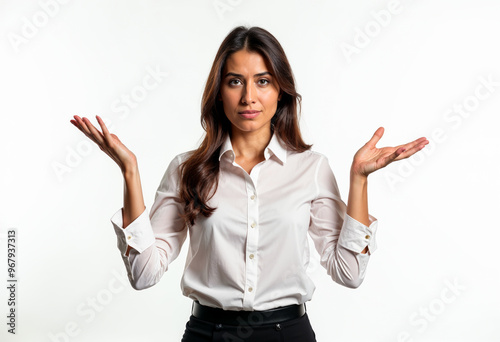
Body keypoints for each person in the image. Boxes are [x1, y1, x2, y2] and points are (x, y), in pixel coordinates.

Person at [70, 26, 429, 342]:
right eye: (235, 81)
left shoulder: (312, 169)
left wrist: (359, 180)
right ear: (219, 91)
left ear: (281, 91)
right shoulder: (187, 169)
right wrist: (130, 172)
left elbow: (349, 274)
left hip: (289, 334)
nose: (248, 97)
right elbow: (143, 274)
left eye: (263, 80)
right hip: (208, 334)